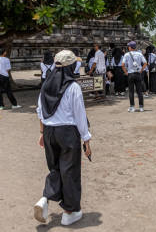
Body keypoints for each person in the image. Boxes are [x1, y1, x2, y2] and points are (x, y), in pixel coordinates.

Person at [34, 50, 91, 226]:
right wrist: (86, 140)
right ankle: (69, 212)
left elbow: (39, 110)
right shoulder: (73, 87)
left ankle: (45, 199)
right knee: (70, 171)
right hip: (67, 133)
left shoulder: (46, 85)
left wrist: (43, 133)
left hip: (50, 131)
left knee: (55, 169)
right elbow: (80, 115)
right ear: (71, 66)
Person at [121, 41, 148, 112]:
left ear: (130, 47)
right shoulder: (139, 54)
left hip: (130, 74)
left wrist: (126, 72)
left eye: (128, 46)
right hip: (138, 74)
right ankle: (141, 107)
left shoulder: (126, 54)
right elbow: (145, 63)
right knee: (139, 91)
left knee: (131, 91)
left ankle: (132, 107)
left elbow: (122, 65)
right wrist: (141, 70)